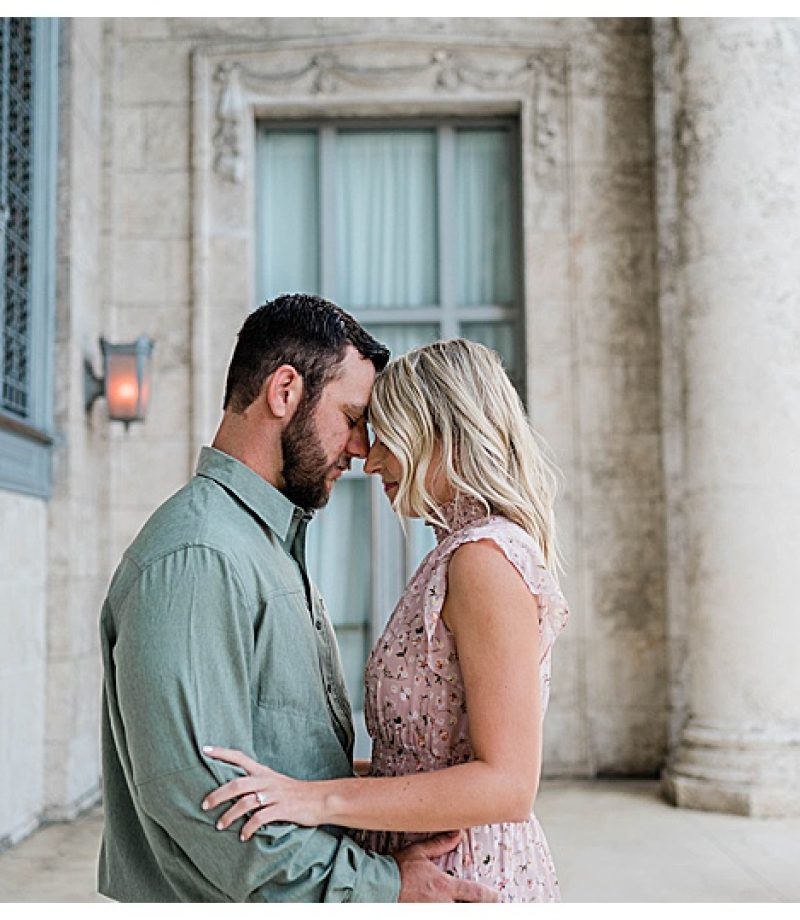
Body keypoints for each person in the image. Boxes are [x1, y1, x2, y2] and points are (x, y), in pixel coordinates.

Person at [98, 296, 497, 903]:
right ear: (285, 392)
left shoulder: (266, 546)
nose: (363, 449)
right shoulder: (200, 557)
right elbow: (205, 805)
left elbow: (291, 761)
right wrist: (383, 887)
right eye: (352, 416)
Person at [201, 338, 570, 902]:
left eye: (387, 436)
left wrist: (318, 799)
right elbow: (430, 753)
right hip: (416, 868)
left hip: (463, 879)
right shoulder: (458, 552)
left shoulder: (484, 560)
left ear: (442, 432)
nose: (370, 461)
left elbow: (509, 784)